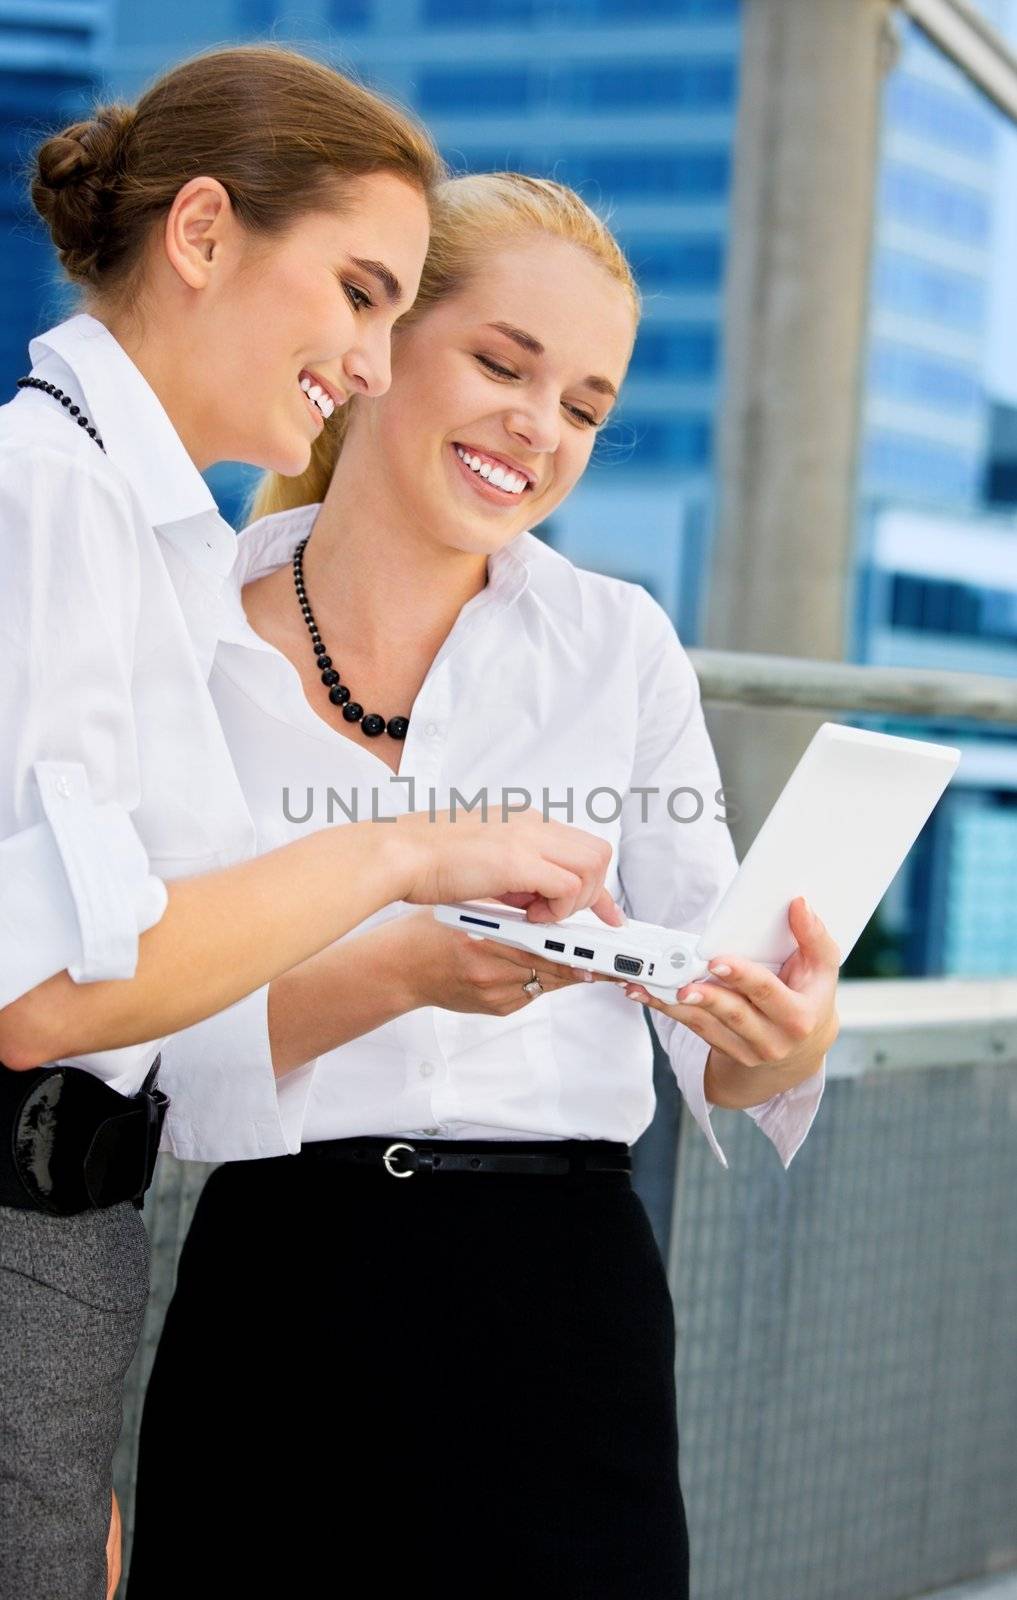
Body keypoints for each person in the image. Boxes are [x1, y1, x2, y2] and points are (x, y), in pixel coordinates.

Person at [126, 174, 839, 1599]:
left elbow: (716, 1021)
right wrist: (393, 975)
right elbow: (128, 1050)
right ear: (375, 341)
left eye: (583, 404)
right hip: (279, 1286)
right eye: (503, 365)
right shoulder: (179, 634)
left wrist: (783, 1039)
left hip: (561, 1301)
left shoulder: (614, 645)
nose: (540, 426)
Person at [0, 70, 622, 1600]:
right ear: (201, 232)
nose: (361, 358)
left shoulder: (122, 524)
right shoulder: (54, 499)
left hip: (69, 1253)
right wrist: (404, 855)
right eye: (356, 294)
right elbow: (46, 995)